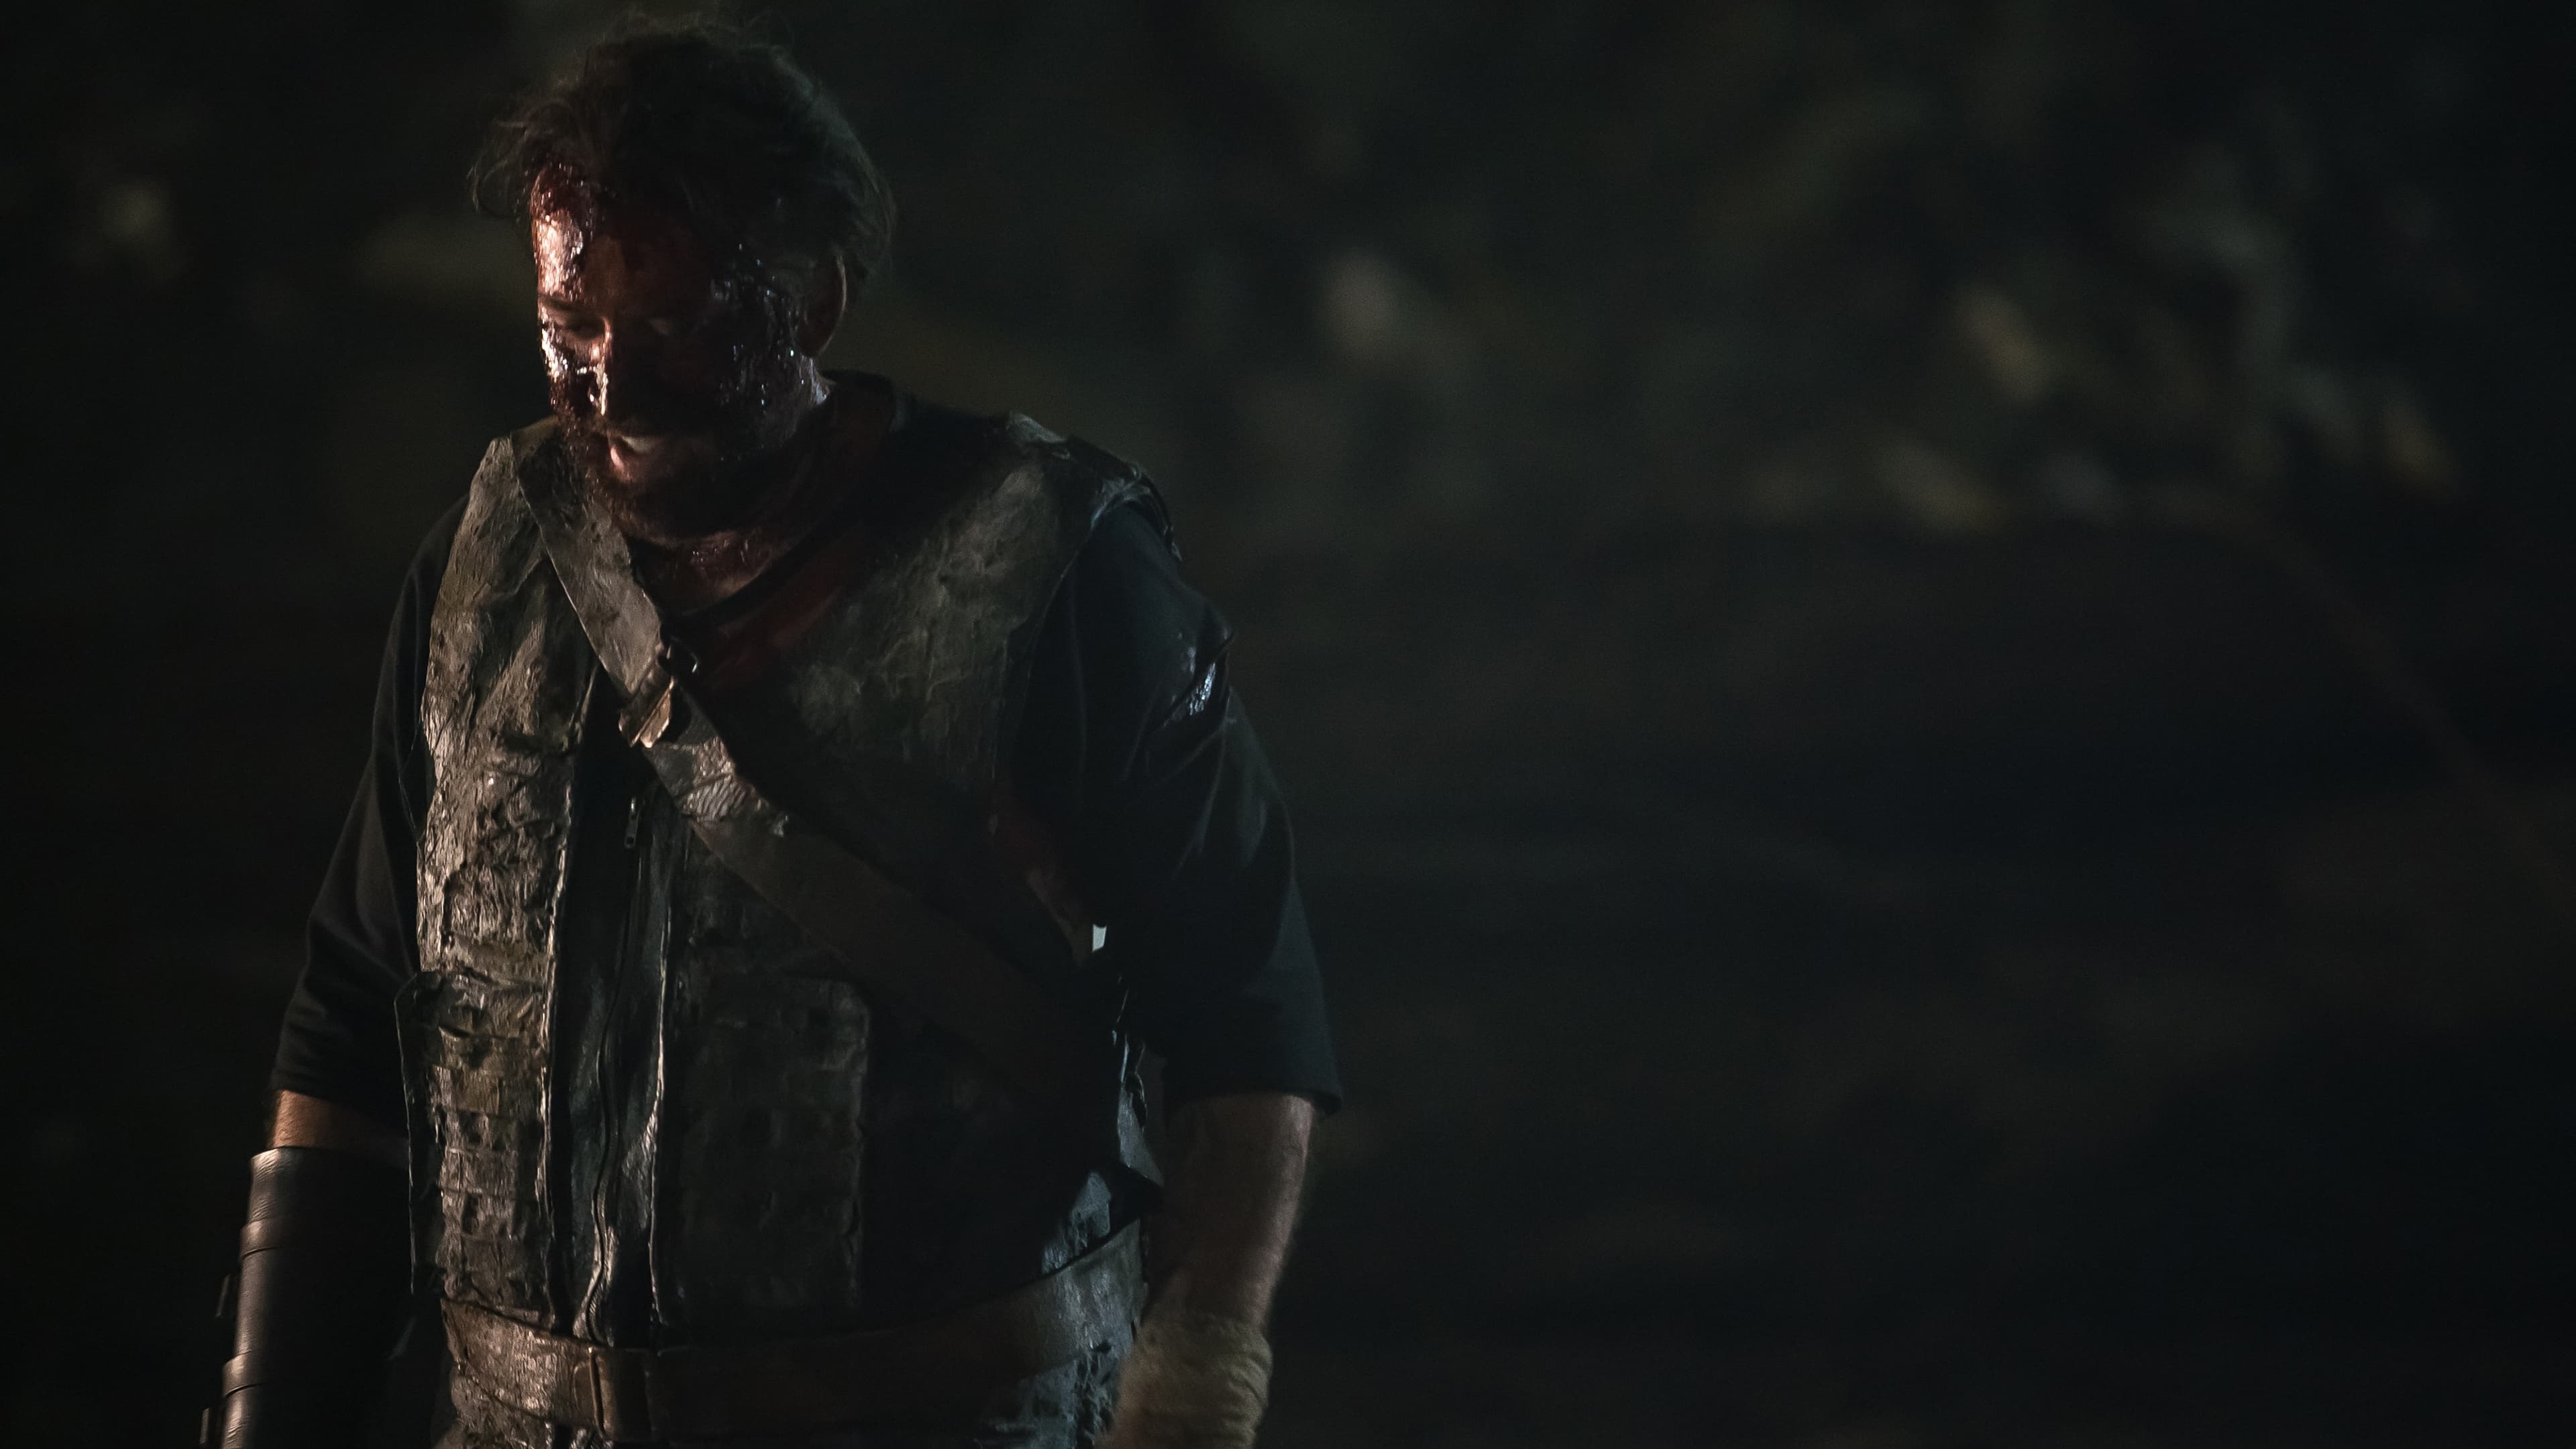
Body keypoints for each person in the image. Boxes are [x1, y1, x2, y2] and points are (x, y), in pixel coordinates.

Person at [214, 22, 1338, 1449]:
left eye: (674, 328)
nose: (613, 391)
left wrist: (1195, 1380)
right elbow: (356, 1016)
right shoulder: (486, 571)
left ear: (812, 301)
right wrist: (270, 1418)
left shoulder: (1054, 572)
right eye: (571, 330)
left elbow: (1244, 1009)